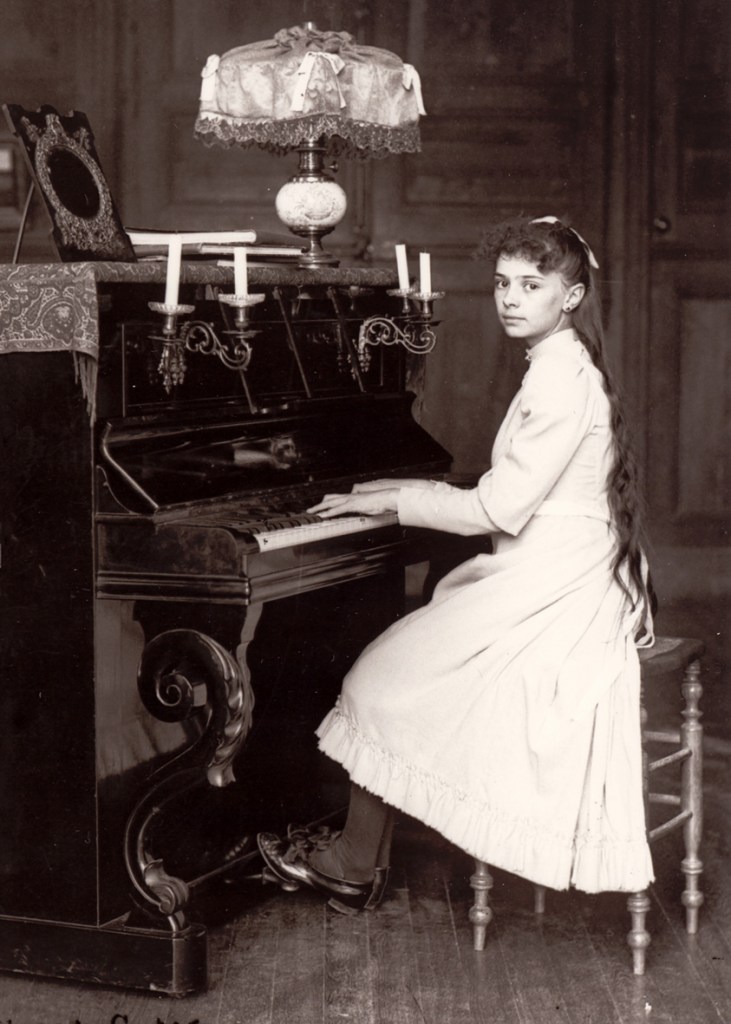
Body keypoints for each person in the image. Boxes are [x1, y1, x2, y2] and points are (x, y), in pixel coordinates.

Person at [257, 215, 655, 915]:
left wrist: (394, 500)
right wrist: (392, 490)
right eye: (502, 284)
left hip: (557, 584)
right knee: (388, 677)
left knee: (382, 680)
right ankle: (356, 859)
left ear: (570, 297)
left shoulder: (560, 379)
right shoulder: (558, 363)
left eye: (531, 285)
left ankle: (352, 862)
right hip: (550, 566)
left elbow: (497, 508)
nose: (510, 299)